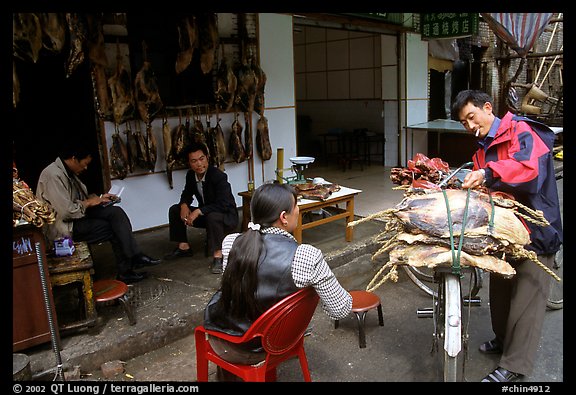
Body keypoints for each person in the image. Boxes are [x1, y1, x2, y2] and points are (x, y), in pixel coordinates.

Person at [452, 89, 562, 383]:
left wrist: (488, 174)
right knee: (500, 295)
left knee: (526, 300)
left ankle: (515, 364)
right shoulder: (481, 149)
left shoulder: (523, 130)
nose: (470, 126)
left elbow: (528, 171)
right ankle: (503, 341)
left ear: (488, 108)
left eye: (471, 117)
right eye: (464, 122)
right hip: (503, 233)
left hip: (536, 231)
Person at [202, 183, 353, 381]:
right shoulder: (306, 256)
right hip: (274, 344)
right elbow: (341, 309)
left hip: (228, 341)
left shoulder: (231, 242)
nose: (298, 210)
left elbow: (231, 290)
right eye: (296, 205)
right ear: (283, 217)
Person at [36, 141, 161, 284]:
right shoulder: (53, 175)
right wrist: (89, 202)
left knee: (115, 212)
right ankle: (126, 271)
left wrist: (100, 198)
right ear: (73, 158)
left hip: (78, 215)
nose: (85, 167)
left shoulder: (68, 172)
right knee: (112, 229)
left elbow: (78, 199)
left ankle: (136, 255)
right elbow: (66, 212)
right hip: (64, 227)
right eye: (84, 163)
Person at [165, 142, 239, 274]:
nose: (199, 164)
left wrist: (198, 211)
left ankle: (218, 255)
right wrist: (184, 205)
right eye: (194, 161)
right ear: (189, 163)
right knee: (175, 210)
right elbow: (187, 193)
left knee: (212, 215)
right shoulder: (190, 175)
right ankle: (184, 247)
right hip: (207, 215)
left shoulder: (218, 176)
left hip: (226, 217)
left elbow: (224, 203)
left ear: (207, 158)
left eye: (201, 159)